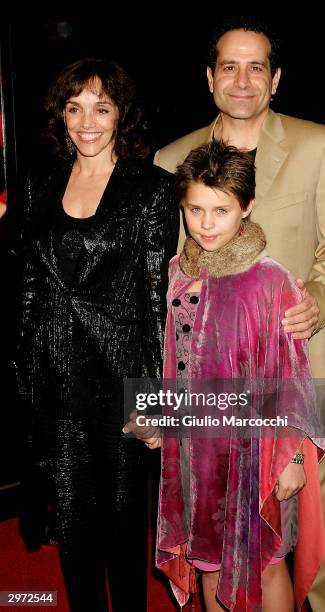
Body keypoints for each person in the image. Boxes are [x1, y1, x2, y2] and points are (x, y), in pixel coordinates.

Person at [153, 17, 325, 611]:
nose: (242, 80)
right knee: (213, 518)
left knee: (313, 514)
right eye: (228, 66)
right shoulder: (172, 158)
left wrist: (316, 302)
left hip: (299, 363)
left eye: (257, 67)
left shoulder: (320, 143)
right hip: (211, 383)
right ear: (210, 77)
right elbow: (172, 280)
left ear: (275, 80)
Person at [16, 57, 179, 612]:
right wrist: (25, 381)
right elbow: (30, 290)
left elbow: (159, 300)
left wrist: (159, 402)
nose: (87, 121)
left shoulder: (151, 189)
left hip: (121, 385)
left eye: (101, 108)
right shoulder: (39, 188)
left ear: (120, 117)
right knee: (73, 528)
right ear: (61, 117)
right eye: (74, 107)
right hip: (57, 385)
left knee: (122, 530)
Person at [143, 140, 324, 611]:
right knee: (208, 559)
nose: (205, 224)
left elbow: (293, 375)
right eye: (194, 209)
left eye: (220, 210)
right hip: (197, 454)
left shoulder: (270, 279)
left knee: (266, 560)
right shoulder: (176, 273)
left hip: (257, 450)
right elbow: (168, 357)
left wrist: (294, 458)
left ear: (246, 206)